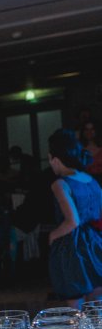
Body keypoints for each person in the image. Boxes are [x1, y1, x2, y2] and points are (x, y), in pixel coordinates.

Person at [46, 128, 102, 308]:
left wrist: (53, 235)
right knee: (97, 304)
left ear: (55, 159)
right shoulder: (90, 179)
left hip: (72, 246)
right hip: (95, 242)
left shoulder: (60, 184)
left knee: (76, 305)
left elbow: (72, 221)